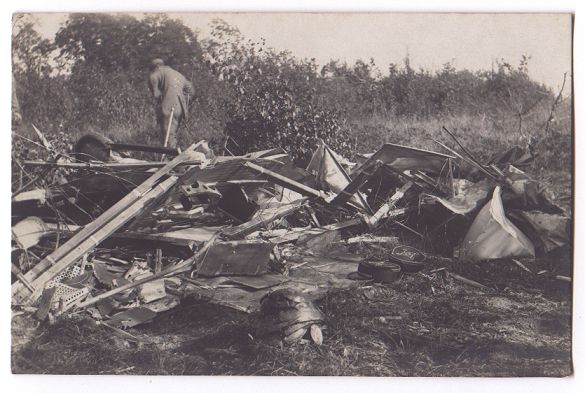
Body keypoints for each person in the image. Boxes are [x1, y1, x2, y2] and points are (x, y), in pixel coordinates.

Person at [148, 58, 194, 148]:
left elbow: (154, 83)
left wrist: (157, 94)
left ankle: (169, 157)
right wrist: (185, 100)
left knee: (168, 134)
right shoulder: (178, 74)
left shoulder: (158, 72)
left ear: (157, 66)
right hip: (180, 108)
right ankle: (173, 154)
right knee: (173, 133)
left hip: (169, 107)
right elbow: (190, 90)